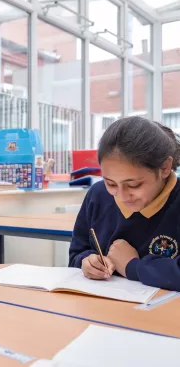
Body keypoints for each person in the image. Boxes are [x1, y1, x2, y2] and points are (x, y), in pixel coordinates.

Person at [69, 116, 180, 291]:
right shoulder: (98, 195)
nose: (121, 196)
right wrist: (87, 262)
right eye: (110, 183)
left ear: (165, 168)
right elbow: (76, 254)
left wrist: (133, 267)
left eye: (134, 185)